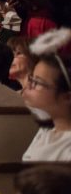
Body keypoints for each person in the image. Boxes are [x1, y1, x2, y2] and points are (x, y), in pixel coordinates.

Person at [21, 31, 71, 161]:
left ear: (67, 97)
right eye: (31, 79)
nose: (28, 86)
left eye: (36, 82)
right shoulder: (46, 131)